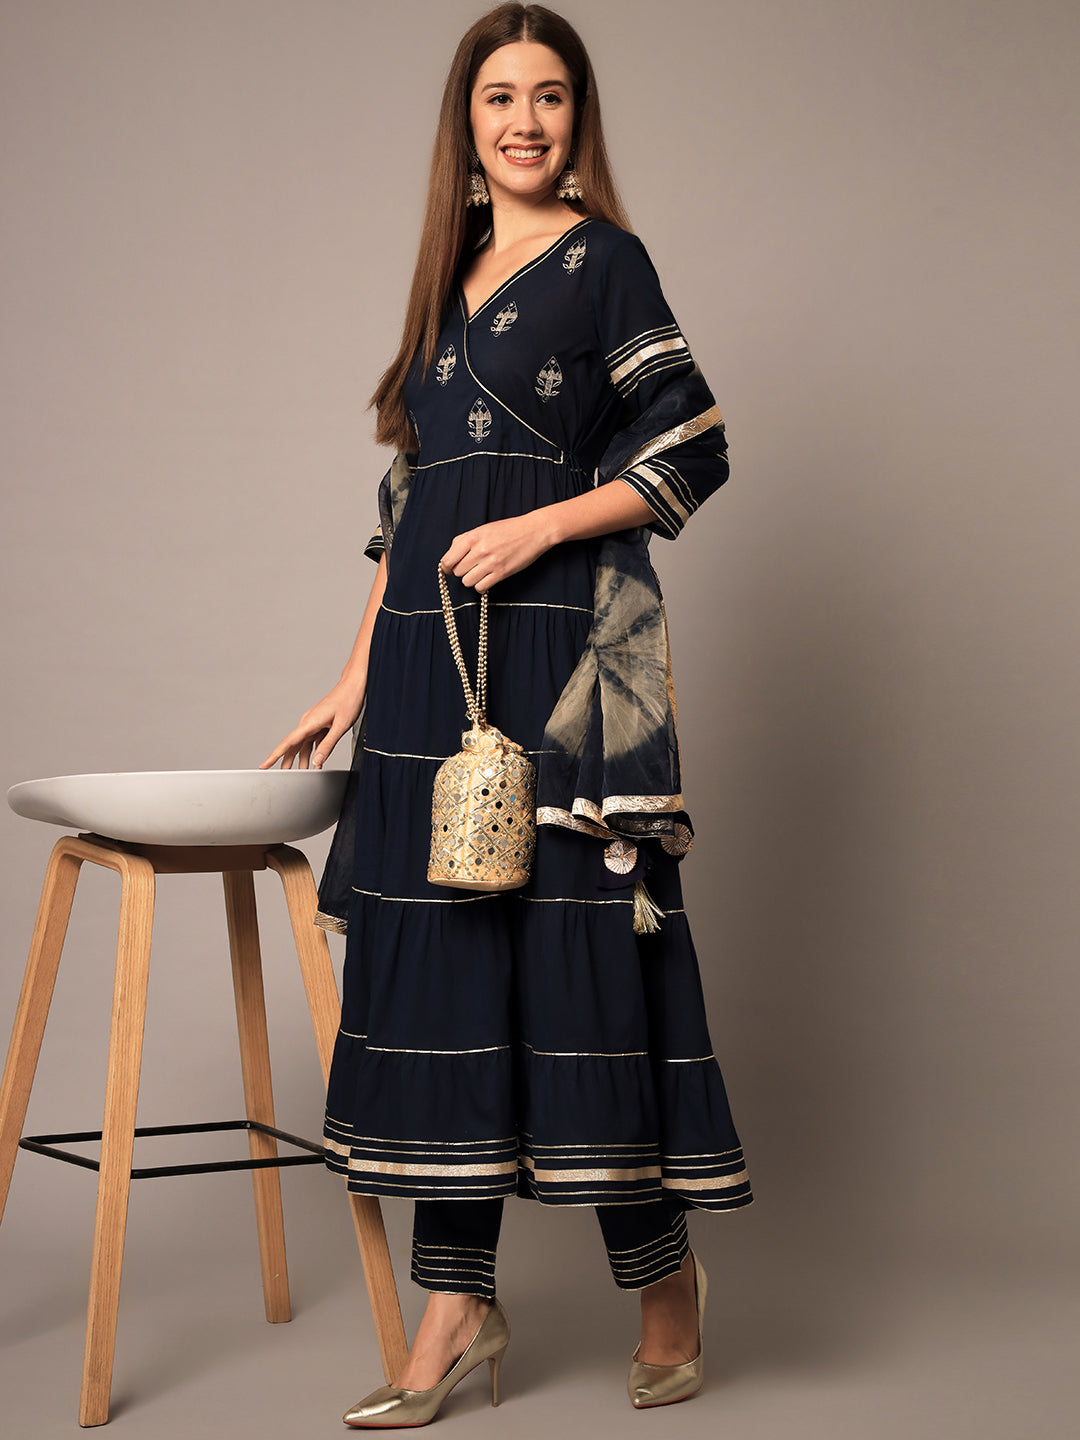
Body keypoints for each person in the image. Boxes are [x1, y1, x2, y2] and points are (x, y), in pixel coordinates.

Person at [262, 3, 752, 1425]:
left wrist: (543, 527)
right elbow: (411, 505)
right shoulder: (446, 278)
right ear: (465, 125)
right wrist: (355, 675)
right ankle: (455, 1309)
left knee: (575, 960)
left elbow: (694, 440)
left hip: (559, 656)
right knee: (449, 967)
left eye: (548, 95)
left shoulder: (607, 262)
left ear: (576, 117)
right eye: (498, 97)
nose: (524, 120)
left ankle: (663, 1280)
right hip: (430, 670)